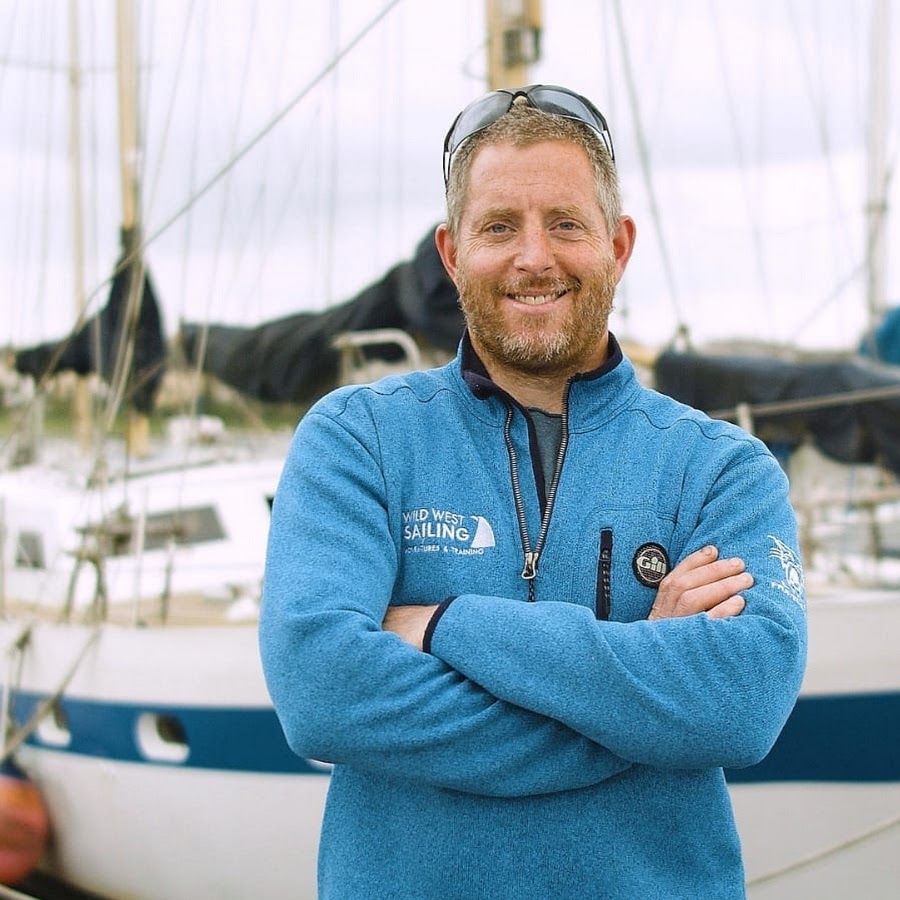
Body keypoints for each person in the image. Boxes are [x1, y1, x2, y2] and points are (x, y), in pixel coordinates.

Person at [259, 84, 807, 900]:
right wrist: (638, 705)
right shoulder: (358, 440)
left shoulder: (723, 469)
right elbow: (322, 692)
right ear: (452, 254)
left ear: (618, 245)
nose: (534, 257)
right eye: (499, 228)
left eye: (565, 224)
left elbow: (739, 703)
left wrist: (445, 623)